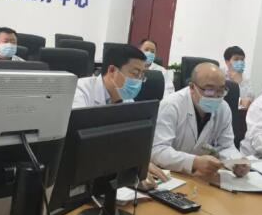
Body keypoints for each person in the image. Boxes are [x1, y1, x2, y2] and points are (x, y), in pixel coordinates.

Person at [72, 44, 168, 186]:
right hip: (79, 178)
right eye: (135, 74)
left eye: (142, 75)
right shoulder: (79, 92)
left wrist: (140, 166)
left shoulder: (127, 99)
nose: (139, 81)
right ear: (112, 70)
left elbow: (131, 142)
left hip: (107, 178)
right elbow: (82, 147)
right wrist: (127, 171)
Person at [151, 62, 250, 180]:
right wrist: (194, 162)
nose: (216, 96)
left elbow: (226, 146)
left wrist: (236, 162)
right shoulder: (171, 105)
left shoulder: (223, 108)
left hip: (201, 177)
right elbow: (158, 150)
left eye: (221, 90)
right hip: (169, 175)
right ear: (192, 87)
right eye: (209, 90)